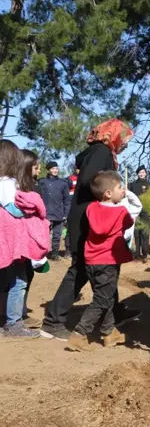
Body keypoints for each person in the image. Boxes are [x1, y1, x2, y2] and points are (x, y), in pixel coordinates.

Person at [41, 119, 140, 341]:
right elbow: (89, 180)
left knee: (107, 267)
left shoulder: (96, 152)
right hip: (90, 220)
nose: (124, 144)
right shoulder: (101, 152)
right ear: (112, 135)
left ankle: (114, 313)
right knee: (81, 270)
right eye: (123, 139)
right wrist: (109, 195)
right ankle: (53, 321)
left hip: (89, 217)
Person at [67, 171, 133, 351]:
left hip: (92, 260)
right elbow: (129, 223)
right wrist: (127, 205)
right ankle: (79, 334)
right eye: (120, 187)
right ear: (108, 193)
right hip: (109, 261)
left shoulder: (91, 208)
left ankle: (109, 332)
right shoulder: (121, 212)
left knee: (107, 297)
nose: (124, 190)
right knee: (102, 301)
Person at [0, 140, 48, 338]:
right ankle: (14, 323)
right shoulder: (6, 183)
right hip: (13, 244)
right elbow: (14, 210)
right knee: (18, 282)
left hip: (9, 242)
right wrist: (32, 203)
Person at [20, 149, 47, 329]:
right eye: (36, 168)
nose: (39, 171)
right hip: (22, 239)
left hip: (30, 239)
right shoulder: (17, 189)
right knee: (19, 277)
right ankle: (16, 314)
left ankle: (19, 310)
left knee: (26, 274)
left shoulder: (34, 185)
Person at [39, 161, 70, 261]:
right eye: (53, 169)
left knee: (57, 236)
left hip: (59, 213)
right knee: (43, 235)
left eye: (56, 168)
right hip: (45, 213)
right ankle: (42, 254)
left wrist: (66, 213)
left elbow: (66, 200)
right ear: (48, 170)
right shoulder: (42, 182)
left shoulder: (63, 183)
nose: (55, 170)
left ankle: (55, 254)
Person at [129, 165, 150, 262]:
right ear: (137, 174)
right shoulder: (132, 184)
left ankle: (144, 253)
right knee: (136, 232)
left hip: (146, 210)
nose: (141, 174)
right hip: (135, 210)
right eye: (140, 172)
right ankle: (137, 253)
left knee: (145, 232)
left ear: (146, 174)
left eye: (143, 172)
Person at [64, 167, 80, 259]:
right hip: (71, 207)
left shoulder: (86, 178)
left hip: (80, 206)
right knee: (70, 229)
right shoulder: (70, 179)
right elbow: (66, 195)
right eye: (78, 168)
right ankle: (68, 250)